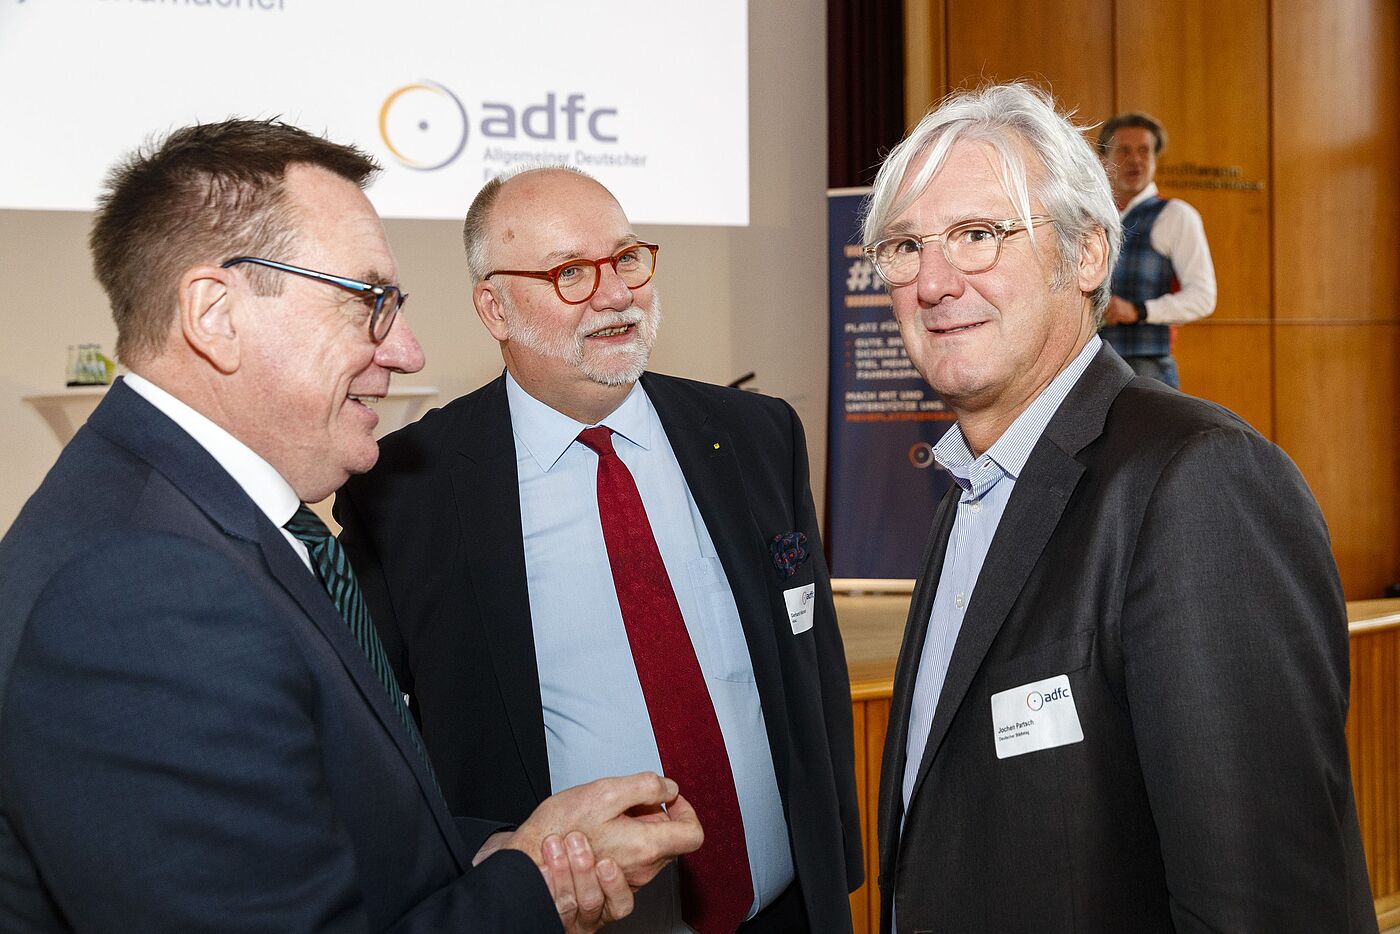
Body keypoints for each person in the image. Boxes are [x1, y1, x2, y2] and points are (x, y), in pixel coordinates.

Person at [0, 120, 703, 933]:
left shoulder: (205, 524)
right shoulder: (141, 589)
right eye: (368, 302)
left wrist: (512, 852)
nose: (407, 351)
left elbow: (321, 823)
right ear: (215, 314)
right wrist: (534, 892)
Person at [859, 83, 1375, 933]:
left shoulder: (1198, 480)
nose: (934, 282)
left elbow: (1265, 900)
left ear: (1087, 255)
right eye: (906, 247)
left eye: (979, 235)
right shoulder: (973, 490)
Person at [335, 165, 863, 933]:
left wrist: (838, 864)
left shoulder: (756, 435)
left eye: (626, 259)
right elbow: (372, 746)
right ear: (494, 306)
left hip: (784, 911)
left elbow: (813, 669)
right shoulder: (405, 492)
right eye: (571, 273)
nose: (616, 294)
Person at [1096, 111, 1216, 388]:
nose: (1135, 160)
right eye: (1124, 150)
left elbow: (1203, 297)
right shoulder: (1090, 217)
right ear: (1103, 160)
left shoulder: (1176, 215)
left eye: (1144, 151)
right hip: (1090, 365)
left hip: (1148, 370)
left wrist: (1138, 310)